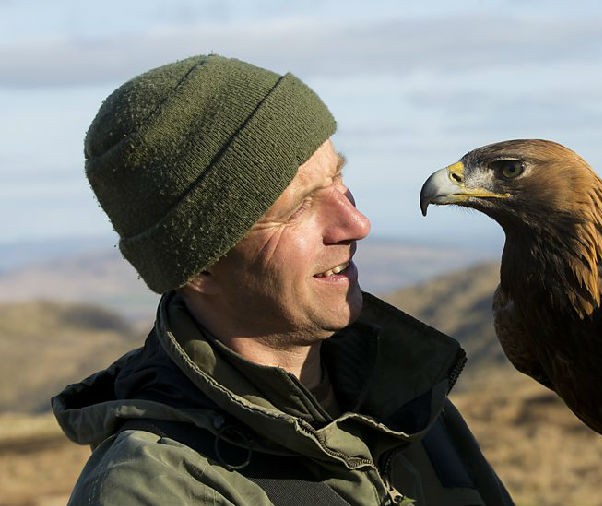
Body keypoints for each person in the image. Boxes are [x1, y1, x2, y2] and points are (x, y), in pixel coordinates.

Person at [52, 54, 514, 506]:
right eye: (298, 207)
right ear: (200, 268)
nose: (356, 224)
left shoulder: (405, 406)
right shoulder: (153, 490)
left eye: (338, 179)